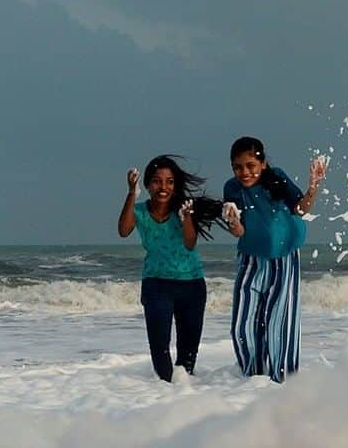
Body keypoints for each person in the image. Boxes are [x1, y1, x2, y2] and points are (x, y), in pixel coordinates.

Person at [223, 137, 326, 383]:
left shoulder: (276, 177)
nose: (245, 172)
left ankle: (284, 381)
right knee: (242, 323)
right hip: (251, 259)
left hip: (284, 258)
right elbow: (239, 232)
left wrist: (312, 188)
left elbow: (300, 209)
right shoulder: (232, 188)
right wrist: (233, 221)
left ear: (263, 163)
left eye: (250, 165)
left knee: (280, 322)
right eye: (238, 167)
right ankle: (254, 377)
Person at [117, 156, 224, 381]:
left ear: (175, 185)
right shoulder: (139, 210)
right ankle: (165, 395)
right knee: (160, 352)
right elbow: (124, 230)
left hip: (192, 285)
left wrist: (186, 218)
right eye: (157, 181)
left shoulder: (184, 209)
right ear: (146, 185)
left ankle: (183, 400)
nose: (163, 187)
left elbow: (189, 243)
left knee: (187, 357)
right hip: (156, 284)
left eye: (169, 182)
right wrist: (130, 194)